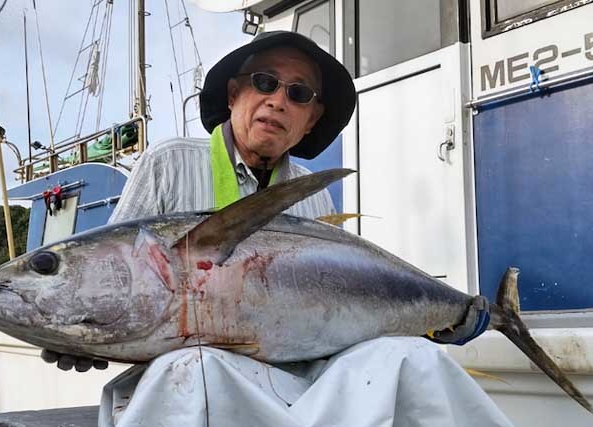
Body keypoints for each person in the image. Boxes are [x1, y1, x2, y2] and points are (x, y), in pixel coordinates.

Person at [42, 30, 489, 374]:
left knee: (421, 368)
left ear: (311, 120)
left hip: (292, 389)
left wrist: (440, 320)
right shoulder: (169, 163)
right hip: (182, 389)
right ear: (235, 94)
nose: (278, 101)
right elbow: (121, 270)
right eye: (265, 82)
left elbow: (348, 303)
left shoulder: (312, 191)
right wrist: (83, 322)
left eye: (298, 94)